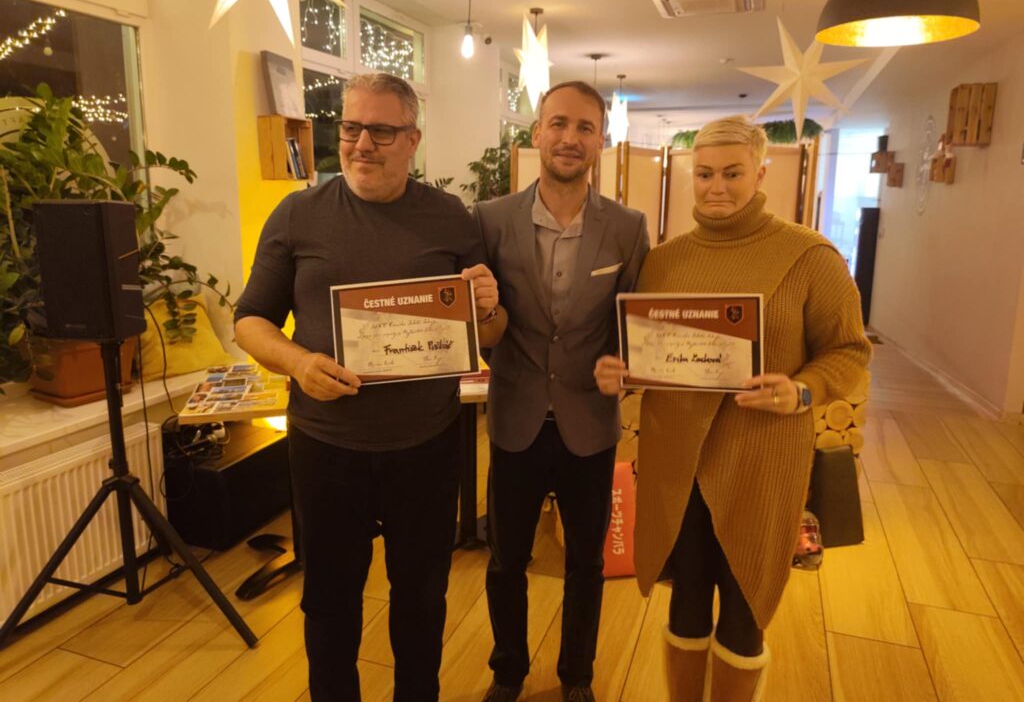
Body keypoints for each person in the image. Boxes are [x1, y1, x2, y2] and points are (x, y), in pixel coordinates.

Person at [234, 72, 506, 702]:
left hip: (427, 444)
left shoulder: (449, 217)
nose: (361, 144)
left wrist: (488, 306)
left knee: (422, 597)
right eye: (351, 128)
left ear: (412, 140)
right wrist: (299, 362)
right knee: (329, 601)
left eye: (381, 131)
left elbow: (491, 334)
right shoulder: (297, 214)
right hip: (326, 447)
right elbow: (249, 321)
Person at [594, 116, 871, 701]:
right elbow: (647, 348)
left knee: (745, 609)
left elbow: (849, 351)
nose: (716, 187)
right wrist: (620, 370)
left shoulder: (809, 256)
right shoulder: (664, 261)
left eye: (732, 173)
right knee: (686, 599)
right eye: (704, 174)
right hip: (677, 463)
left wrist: (802, 390)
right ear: (688, 176)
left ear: (761, 173)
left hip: (761, 458)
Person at [474, 81, 650, 702]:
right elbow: (483, 319)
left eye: (584, 127)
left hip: (590, 424)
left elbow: (633, 324)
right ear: (536, 134)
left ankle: (578, 676)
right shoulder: (490, 220)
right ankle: (508, 673)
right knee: (506, 561)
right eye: (558, 124)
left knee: (586, 563)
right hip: (515, 418)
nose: (570, 138)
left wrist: (624, 365)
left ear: (602, 141)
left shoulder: (627, 228)